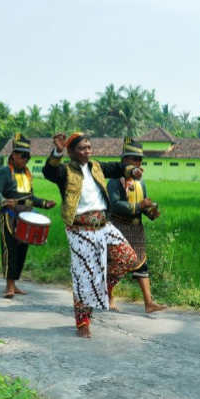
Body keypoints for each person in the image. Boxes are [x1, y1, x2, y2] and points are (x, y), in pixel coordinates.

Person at [42, 132, 143, 338]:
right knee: (83, 277)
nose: (86, 151)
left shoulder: (96, 166)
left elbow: (118, 168)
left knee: (128, 258)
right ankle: (83, 323)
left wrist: (133, 170)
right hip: (80, 230)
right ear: (71, 152)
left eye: (89, 147)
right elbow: (49, 171)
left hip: (103, 225)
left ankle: (100, 286)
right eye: (81, 148)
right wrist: (57, 152)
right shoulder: (65, 171)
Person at [0, 134, 56, 298]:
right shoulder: (4, 172)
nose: (26, 159)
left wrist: (43, 203)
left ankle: (15, 283)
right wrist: (3, 200)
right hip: (9, 216)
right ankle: (9, 286)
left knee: (22, 250)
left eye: (28, 156)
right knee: (10, 249)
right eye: (23, 155)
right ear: (14, 155)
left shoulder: (27, 174)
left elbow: (30, 198)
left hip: (26, 216)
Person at [107, 139, 167, 313]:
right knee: (115, 264)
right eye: (134, 159)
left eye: (140, 159)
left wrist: (150, 211)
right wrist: (139, 207)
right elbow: (115, 204)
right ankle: (109, 297)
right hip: (118, 228)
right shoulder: (114, 182)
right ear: (125, 161)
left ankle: (149, 303)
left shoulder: (141, 183)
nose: (138, 163)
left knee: (141, 264)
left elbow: (143, 204)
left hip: (136, 229)